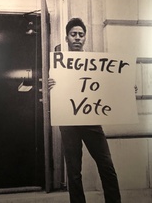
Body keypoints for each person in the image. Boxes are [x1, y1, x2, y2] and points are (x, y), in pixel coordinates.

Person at [49, 18, 121, 203]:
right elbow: (57, 94)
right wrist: (51, 87)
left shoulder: (95, 63)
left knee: (107, 166)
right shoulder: (59, 64)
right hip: (69, 124)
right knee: (73, 172)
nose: (78, 38)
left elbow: (107, 86)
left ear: (85, 38)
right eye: (73, 35)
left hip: (91, 121)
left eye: (81, 35)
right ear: (67, 38)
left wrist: (126, 88)